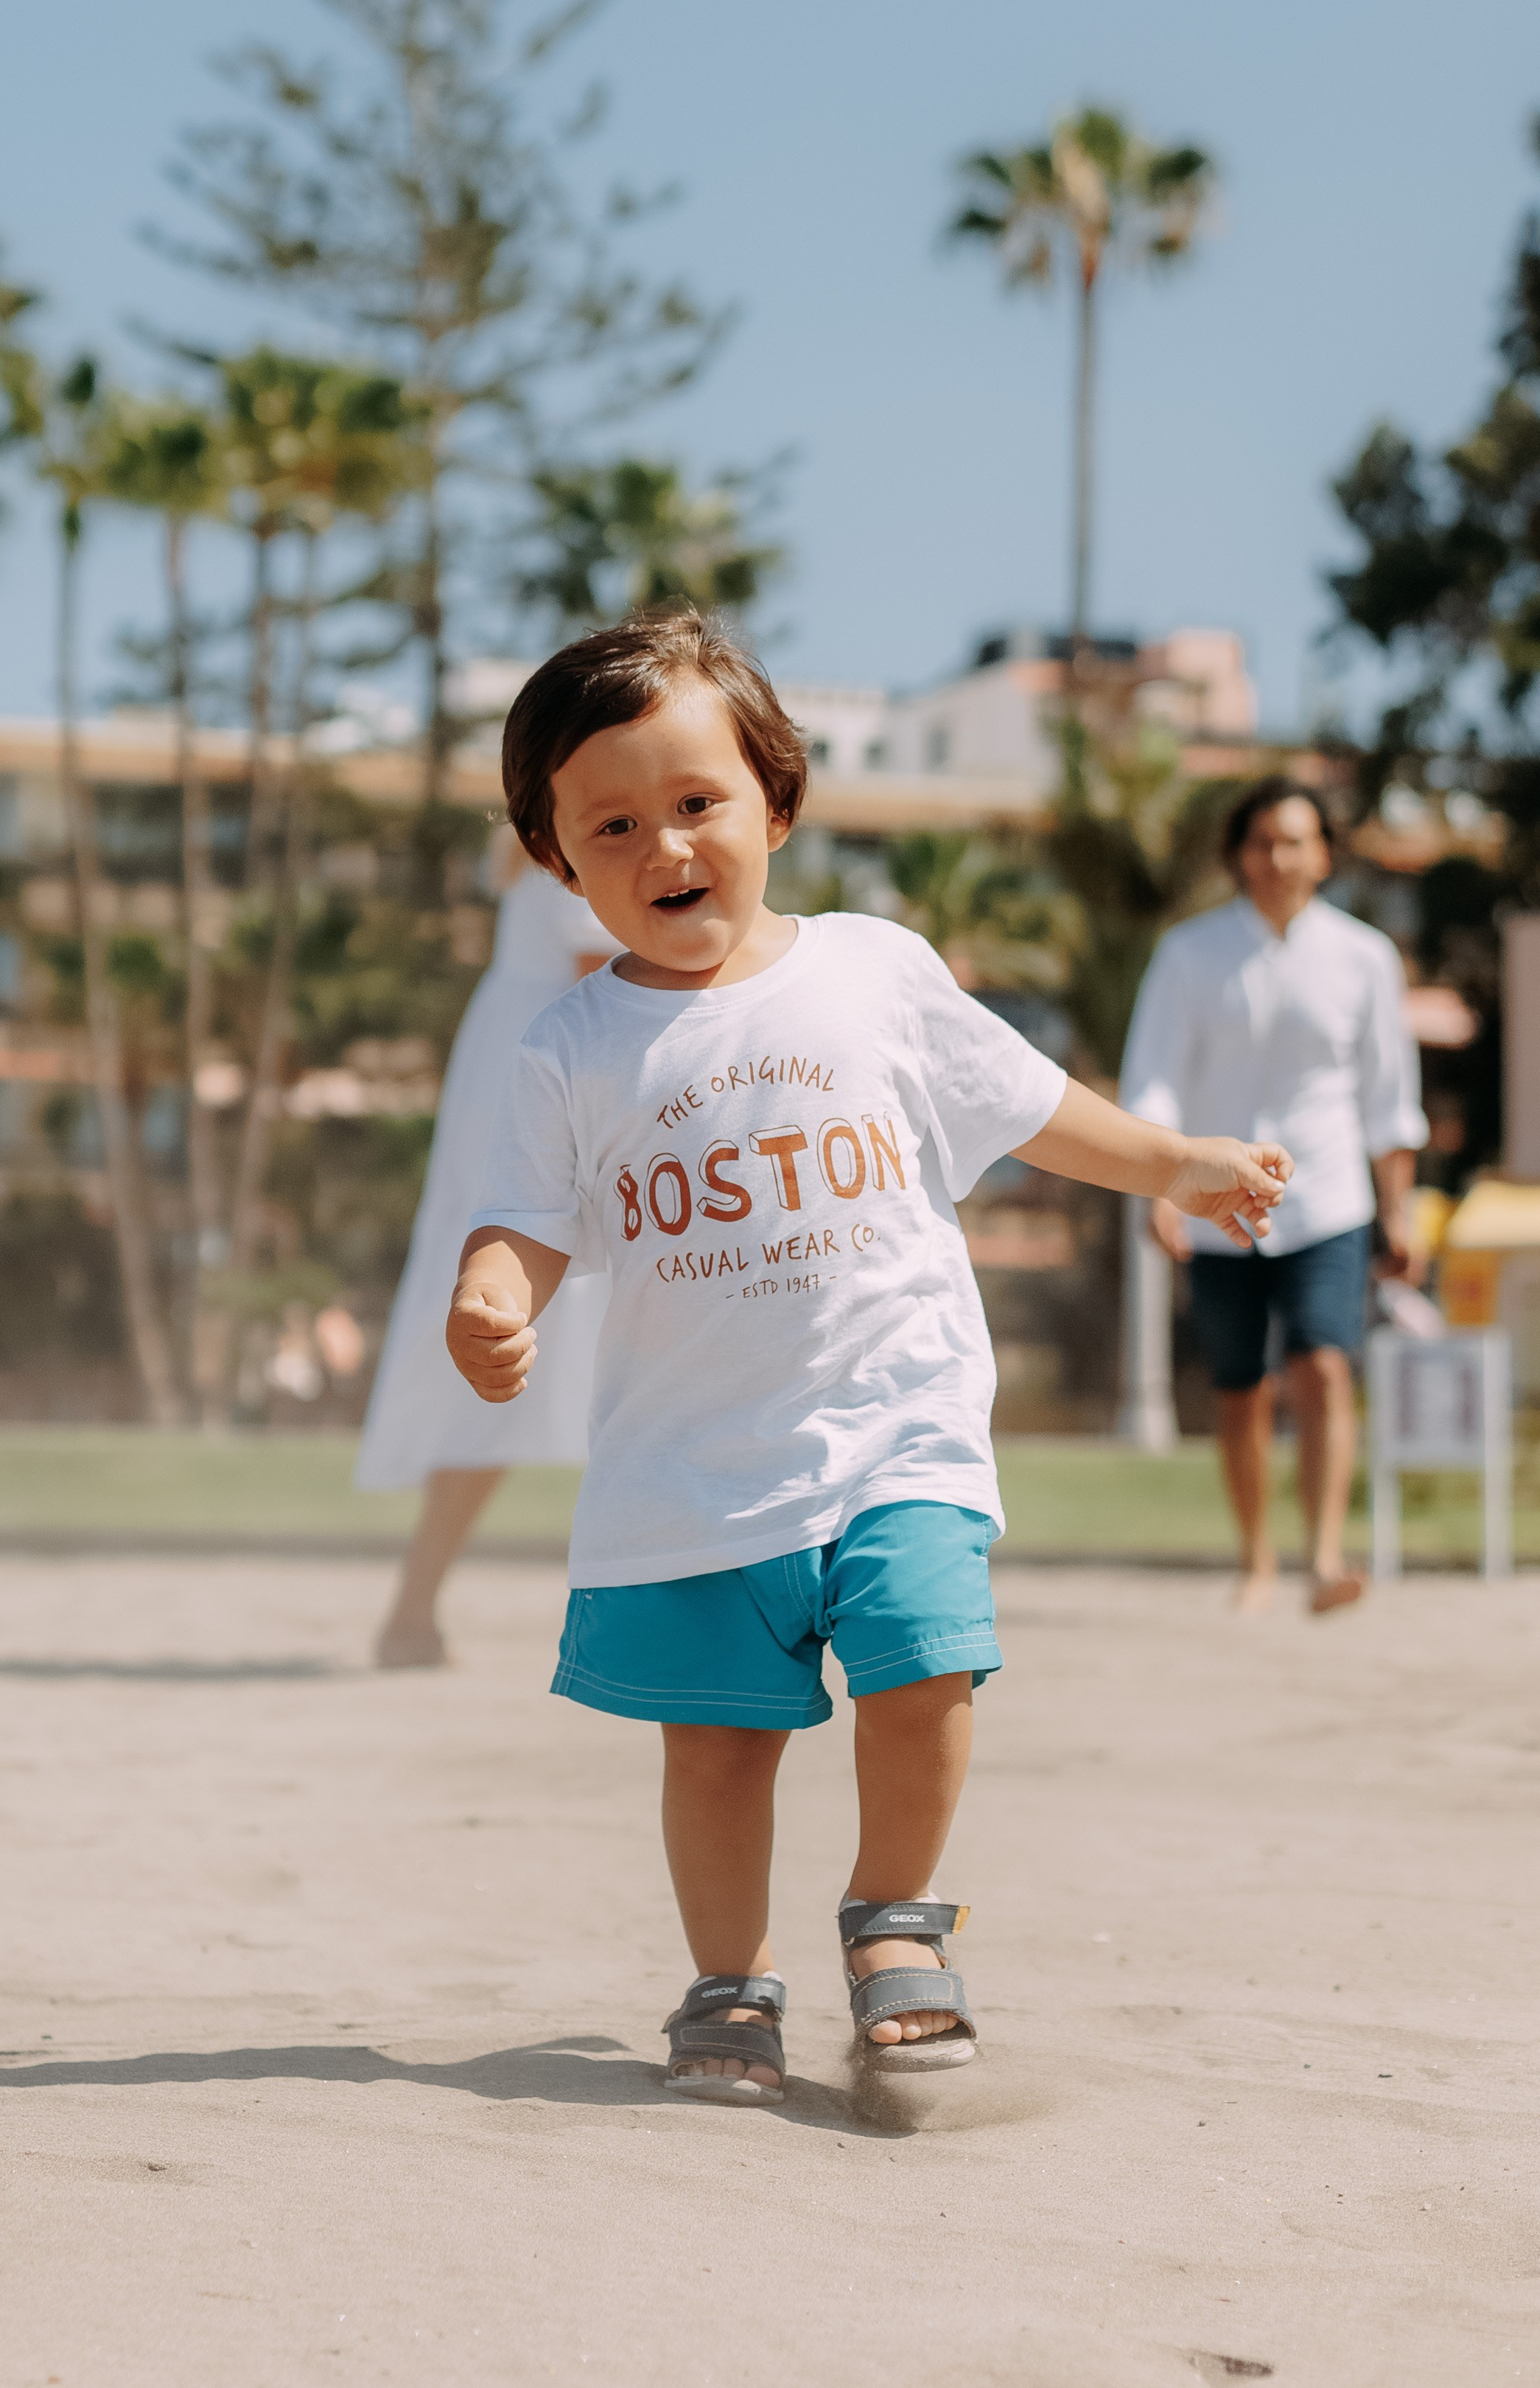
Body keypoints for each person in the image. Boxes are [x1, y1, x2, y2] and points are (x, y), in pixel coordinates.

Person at [446, 613, 1290, 2103]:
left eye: (697, 803)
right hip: (697, 1472)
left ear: (775, 799)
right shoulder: (570, 1047)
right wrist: (491, 1296)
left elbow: (1026, 1104)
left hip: (899, 1431)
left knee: (929, 1669)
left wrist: (1172, 1164)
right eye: (614, 825)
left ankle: (894, 1922)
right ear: (554, 854)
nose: (666, 848)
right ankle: (729, 1986)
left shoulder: (873, 972)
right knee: (715, 1752)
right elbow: (528, 1220)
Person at [1120, 778, 1428, 1616]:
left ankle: (1325, 1556)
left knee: (1326, 1366)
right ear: (1238, 855)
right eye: (1263, 841)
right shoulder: (1189, 953)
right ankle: (1256, 1557)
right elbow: (1154, 1079)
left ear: (1325, 854)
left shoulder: (1365, 957)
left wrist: (1397, 1210)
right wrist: (1157, 1189)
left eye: (1297, 840)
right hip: (1220, 1210)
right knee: (1241, 1386)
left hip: (1331, 1200)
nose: (1279, 857)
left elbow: (1388, 1098)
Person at [357, 828, 620, 1667]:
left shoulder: (536, 842)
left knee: (526, 1350)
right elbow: (605, 994)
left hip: (513, 1075)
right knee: (562, 1342)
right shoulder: (577, 846)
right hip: (555, 1091)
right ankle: (415, 1612)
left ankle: (414, 1609)